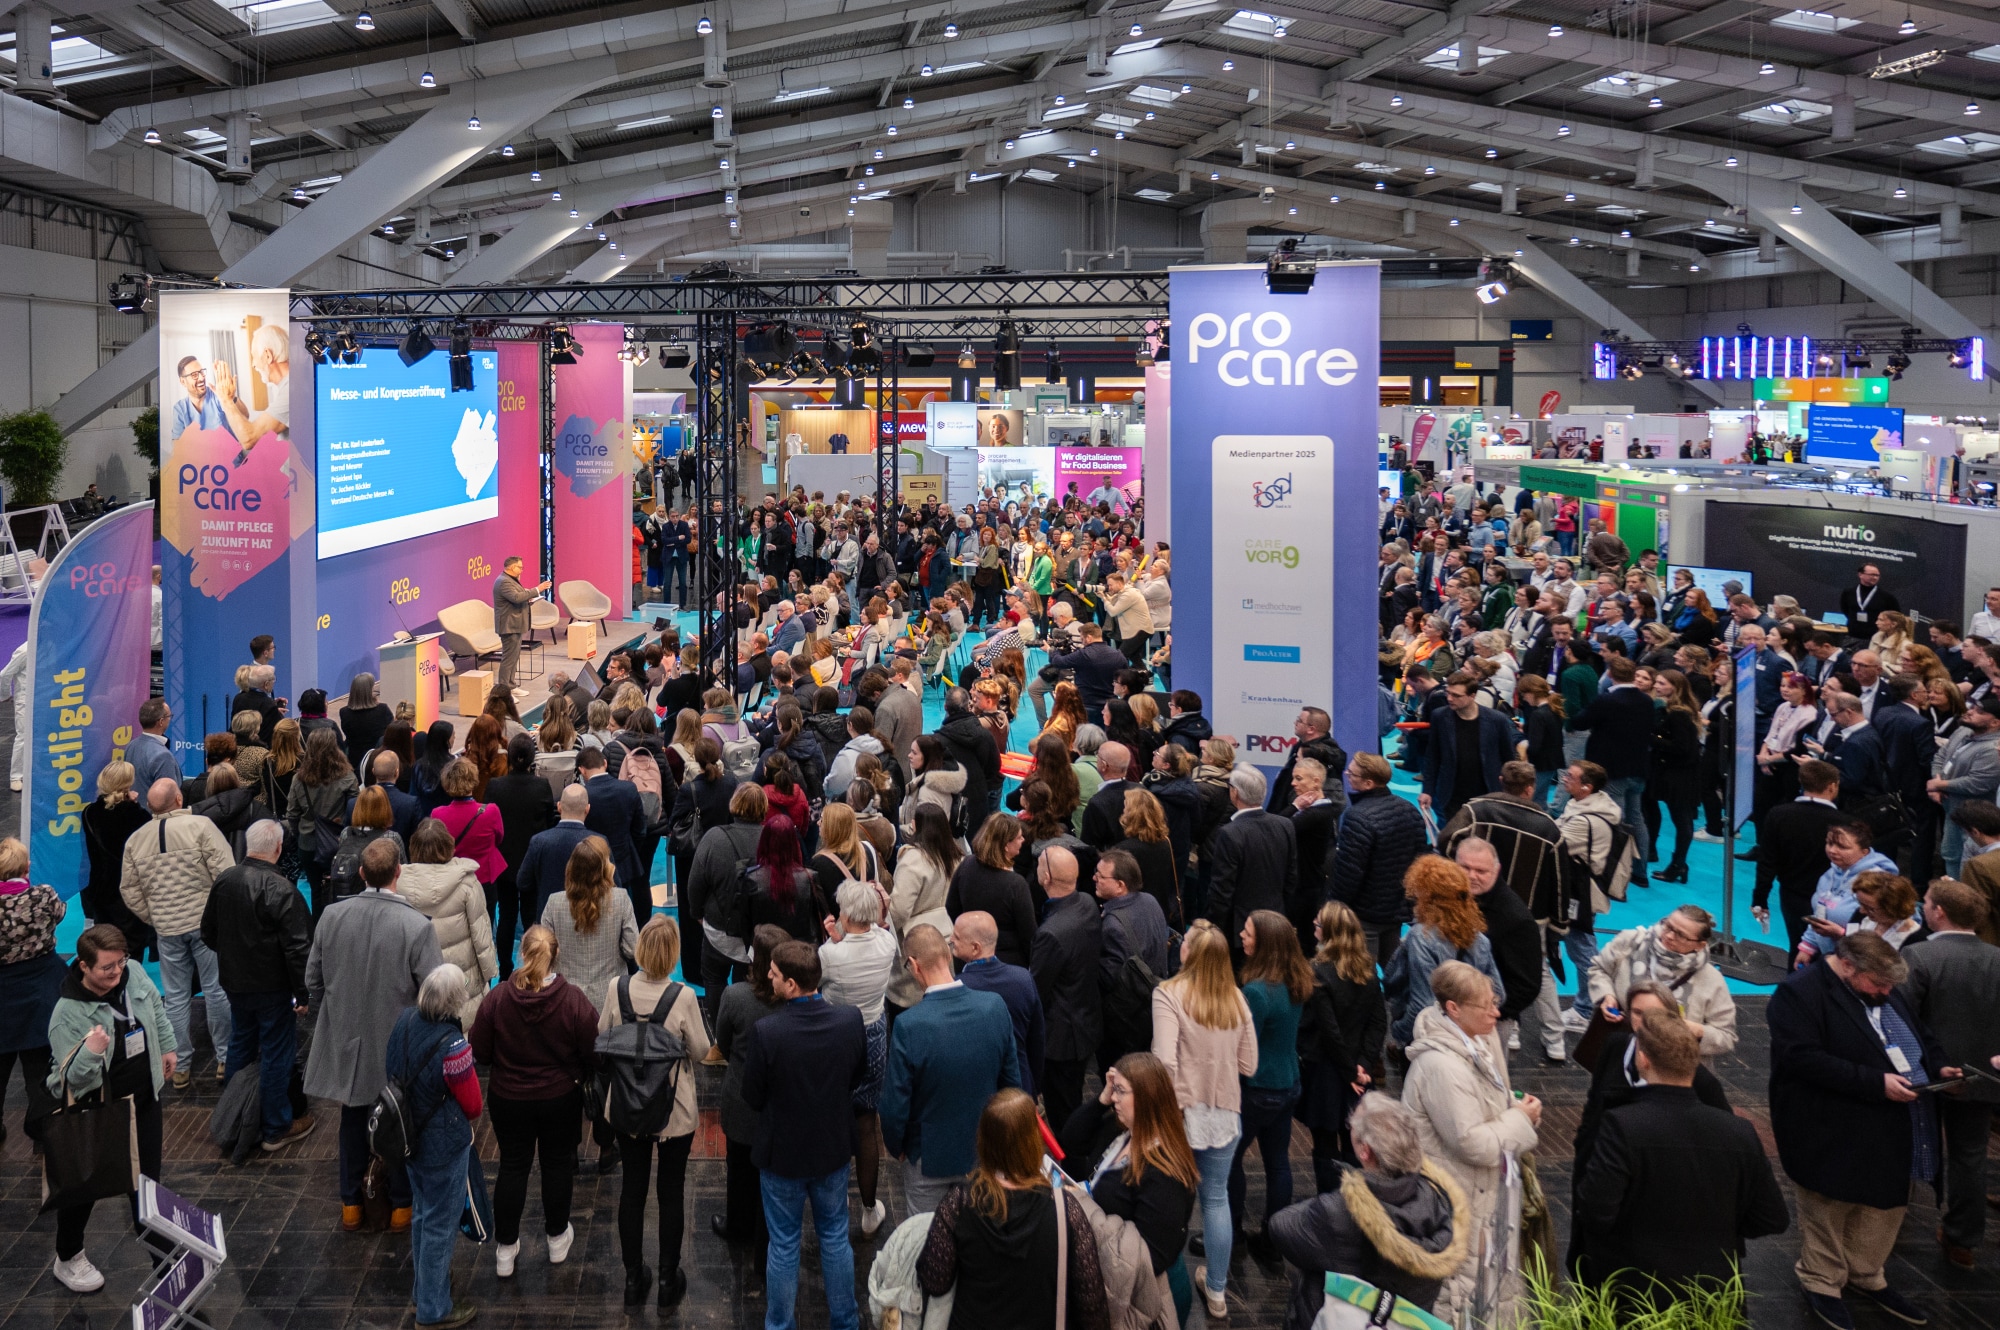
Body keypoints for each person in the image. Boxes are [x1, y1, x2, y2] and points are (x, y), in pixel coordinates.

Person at [1769, 931, 1942, 1330]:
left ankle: (1867, 1273)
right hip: (1829, 1123)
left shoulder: (1882, 987)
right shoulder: (1799, 993)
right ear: (1847, 965)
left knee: (1884, 1203)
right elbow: (1801, 1058)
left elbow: (1921, 1034)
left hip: (1893, 1122)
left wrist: (1939, 1064)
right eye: (1878, 984)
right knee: (1829, 1204)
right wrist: (1875, 1082)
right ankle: (1822, 1280)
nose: (1886, 992)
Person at [1572, 1008, 1788, 1296]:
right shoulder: (1739, 1131)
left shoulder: (1622, 1126)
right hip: (1713, 1292)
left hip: (1638, 1293)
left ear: (1643, 1059)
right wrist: (1717, 1235)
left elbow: (1595, 1212)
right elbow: (1772, 1218)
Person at [308, 838, 444, 1230]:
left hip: (348, 1038)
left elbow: (313, 978)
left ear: (362, 873)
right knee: (397, 1120)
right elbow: (433, 992)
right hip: (398, 1044)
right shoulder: (416, 926)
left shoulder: (331, 916)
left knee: (352, 1119)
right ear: (399, 871)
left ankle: (351, 1205)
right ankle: (401, 1206)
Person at [1401, 961, 1542, 1327]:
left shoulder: (1478, 1041)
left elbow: (1487, 1103)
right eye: (1487, 1005)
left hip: (1482, 1199)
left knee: (1489, 1292)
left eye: (1495, 1002)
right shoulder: (1441, 1067)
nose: (1497, 1012)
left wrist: (1516, 1107)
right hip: (1459, 1204)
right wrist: (1520, 1120)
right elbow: (1472, 1143)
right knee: (1460, 1300)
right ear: (1454, 1009)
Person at [739, 938, 869, 1330]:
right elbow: (856, 1077)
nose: (768, 976)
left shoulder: (767, 1032)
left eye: (774, 973)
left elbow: (752, 1096)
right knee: (835, 1237)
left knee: (783, 1244)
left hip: (783, 1157)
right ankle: (846, 1322)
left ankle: (779, 1324)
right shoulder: (849, 1021)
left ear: (792, 984)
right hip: (832, 1149)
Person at [44, 924, 176, 1292]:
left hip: (144, 1103)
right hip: (98, 1114)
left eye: (121, 962)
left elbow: (154, 1007)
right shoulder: (67, 1014)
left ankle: (167, 1269)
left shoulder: (132, 973)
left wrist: (167, 1045)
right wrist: (91, 1052)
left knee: (145, 1188)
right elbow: (66, 1082)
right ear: (84, 966)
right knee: (84, 1188)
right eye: (107, 967)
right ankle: (68, 1256)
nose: (117, 972)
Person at [915, 1088, 1111, 1330]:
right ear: (1033, 1141)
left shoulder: (959, 1203)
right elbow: (1093, 1310)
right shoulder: (1065, 1211)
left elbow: (934, 1280)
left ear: (984, 1141)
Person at [1266, 1092, 1466, 1330]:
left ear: (1365, 1151)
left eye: (1352, 1125)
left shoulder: (1339, 1212)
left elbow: (1280, 1226)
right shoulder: (1436, 1201)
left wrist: (1326, 1201)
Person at [467, 923, 595, 1281]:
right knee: (557, 1165)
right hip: (559, 1098)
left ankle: (505, 1249)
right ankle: (557, 1239)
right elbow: (594, 1049)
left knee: (512, 1167)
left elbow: (480, 1050)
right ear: (556, 956)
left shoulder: (498, 999)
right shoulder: (572, 1000)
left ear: (522, 954)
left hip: (509, 1098)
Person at [599, 915, 711, 1307]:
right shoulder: (683, 996)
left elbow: (603, 1035)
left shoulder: (617, 988)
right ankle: (667, 1279)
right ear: (673, 954)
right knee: (671, 1192)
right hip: (673, 1111)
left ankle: (633, 1279)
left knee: (632, 1190)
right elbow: (701, 1050)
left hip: (626, 1106)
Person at [1152, 919, 1258, 1320]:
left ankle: (1167, 1284)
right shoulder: (1237, 999)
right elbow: (1249, 1064)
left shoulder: (1168, 994)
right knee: (1216, 1199)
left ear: (1187, 952)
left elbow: (1164, 1063)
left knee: (1169, 1201)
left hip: (1178, 1116)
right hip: (1224, 1114)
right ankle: (1216, 1291)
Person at [880, 924, 1022, 1216]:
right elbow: (1011, 1086)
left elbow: (895, 1104)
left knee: (926, 1237)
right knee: (984, 1232)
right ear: (948, 954)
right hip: (985, 1151)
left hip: (929, 1158)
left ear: (914, 965)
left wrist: (898, 1147)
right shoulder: (994, 1007)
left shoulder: (909, 1025)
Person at [1898, 878, 2000, 1269]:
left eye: (1926, 902)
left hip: (1924, 1076)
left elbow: (1901, 1017)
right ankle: (1963, 1241)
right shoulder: (1997, 958)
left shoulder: (1918, 955)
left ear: (1939, 912)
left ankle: (1884, 1223)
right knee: (1970, 1158)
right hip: (1979, 1077)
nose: (1923, 907)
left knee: (1902, 1145)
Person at [200, 820, 313, 1150]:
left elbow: (208, 932)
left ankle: (235, 1118)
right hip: (272, 987)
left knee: (240, 1044)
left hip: (235, 983)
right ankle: (276, 1126)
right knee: (277, 1053)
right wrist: (302, 993)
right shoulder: (282, 889)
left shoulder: (225, 880)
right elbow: (297, 948)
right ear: (278, 848)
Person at [387, 964, 485, 1330]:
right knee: (441, 1226)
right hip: (442, 1146)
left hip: (407, 1137)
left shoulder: (404, 1021)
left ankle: (423, 1291)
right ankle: (434, 1310)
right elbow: (473, 1106)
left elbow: (391, 1067)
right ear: (456, 1001)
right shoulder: (454, 1047)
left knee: (423, 1215)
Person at [120, 777, 235, 1087]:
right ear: (179, 799)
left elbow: (129, 890)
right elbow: (226, 874)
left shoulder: (135, 840)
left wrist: (155, 917)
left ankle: (180, 1064)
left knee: (175, 996)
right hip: (205, 926)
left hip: (167, 930)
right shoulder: (201, 827)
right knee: (216, 990)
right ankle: (225, 1058)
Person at [1079, 1053, 1199, 1323]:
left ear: (1146, 1098)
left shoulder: (1164, 1172)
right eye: (1113, 1089)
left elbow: (1153, 1256)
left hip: (1150, 1296)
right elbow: (1072, 1139)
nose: (1114, 1098)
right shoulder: (1122, 1131)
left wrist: (1087, 1216)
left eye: (1120, 1091)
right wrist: (1101, 1099)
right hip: (1122, 1281)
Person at [817, 878, 899, 1236]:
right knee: (866, 1125)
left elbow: (821, 979)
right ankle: (868, 1209)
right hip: (874, 1036)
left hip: (836, 1039)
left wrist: (832, 940)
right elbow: (879, 928)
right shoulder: (886, 943)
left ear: (846, 914)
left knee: (829, 1121)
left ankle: (830, 1206)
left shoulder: (830, 955)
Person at [1231, 909, 1312, 1271]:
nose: (1241, 936)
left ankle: (1232, 1235)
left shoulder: (1256, 992)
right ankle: (1273, 1240)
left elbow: (1241, 1044)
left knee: (1231, 1160)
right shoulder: (1297, 981)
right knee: (1278, 1163)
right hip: (1288, 1084)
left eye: (1248, 933)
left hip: (1257, 1088)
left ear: (1264, 943)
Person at [710, 924, 789, 1256]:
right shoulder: (793, 1001)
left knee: (738, 1167)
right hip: (780, 1102)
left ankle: (738, 1225)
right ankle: (764, 1230)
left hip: (741, 1098)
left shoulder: (734, 996)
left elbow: (723, 1043)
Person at [1383, 855, 1504, 1049]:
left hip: (1429, 1038)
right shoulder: (1480, 939)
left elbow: (1423, 1004)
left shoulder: (1421, 938)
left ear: (1427, 897)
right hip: (1468, 1037)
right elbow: (1497, 993)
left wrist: (1398, 1032)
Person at [1587, 905, 1739, 1057]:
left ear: (1700, 945)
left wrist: (1695, 1030)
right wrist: (1607, 996)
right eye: (1668, 926)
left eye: (1680, 935)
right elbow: (1599, 969)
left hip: (1673, 1065)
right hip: (1618, 1054)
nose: (1669, 936)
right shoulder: (1630, 942)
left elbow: (1726, 1037)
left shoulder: (1711, 979)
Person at [399, 818, 501, 1027]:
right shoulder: (467, 883)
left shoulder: (398, 885)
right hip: (461, 983)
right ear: (448, 844)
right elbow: (481, 936)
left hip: (418, 984)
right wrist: (489, 975)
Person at [1567, 654, 1657, 889]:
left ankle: (1614, 871)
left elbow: (1579, 722)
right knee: (1637, 819)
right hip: (1638, 768)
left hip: (1612, 770)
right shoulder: (1647, 701)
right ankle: (1640, 871)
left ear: (1609, 674)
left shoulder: (1607, 700)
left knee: (1615, 820)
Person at [1329, 752, 1428, 965]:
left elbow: (1349, 872)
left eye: (1352, 773)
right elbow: (1421, 861)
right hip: (1397, 911)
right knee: (1393, 971)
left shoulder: (1357, 817)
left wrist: (1335, 906)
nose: (1346, 775)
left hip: (1366, 914)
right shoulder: (1409, 809)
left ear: (1368, 783)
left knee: (1362, 974)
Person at [1031, 844, 1103, 1133]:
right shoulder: (1086, 903)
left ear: (1047, 877)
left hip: (1061, 1038)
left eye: (1040, 863)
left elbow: (1036, 989)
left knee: (1063, 1113)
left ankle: (1071, 1158)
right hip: (1087, 1021)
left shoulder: (1051, 933)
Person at [0, 837, 63, 1145]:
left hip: (3, 995)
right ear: (26, 866)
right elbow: (60, 914)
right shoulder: (43, 895)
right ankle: (43, 1132)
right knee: (40, 1068)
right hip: (41, 992)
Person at [1754, 759, 1848, 955]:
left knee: (1797, 947)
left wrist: (1760, 899)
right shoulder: (1845, 823)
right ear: (1832, 786)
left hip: (1791, 896)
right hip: (1832, 902)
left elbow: (1767, 861)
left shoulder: (1778, 815)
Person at [953, 910, 1047, 1104]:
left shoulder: (958, 987)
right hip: (1020, 1088)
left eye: (957, 937)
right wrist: (1033, 1086)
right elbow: (1037, 1041)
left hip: (977, 1093)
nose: (951, 939)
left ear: (975, 947)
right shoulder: (1023, 979)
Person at [1207, 764, 1299, 959]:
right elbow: (1291, 880)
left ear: (1235, 793)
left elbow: (1222, 891)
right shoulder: (1285, 825)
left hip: (1240, 932)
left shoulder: (1230, 833)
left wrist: (1214, 929)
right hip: (1275, 923)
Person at [1797, 819, 1899, 966]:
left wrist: (1841, 934)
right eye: (1829, 843)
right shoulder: (1830, 874)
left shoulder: (1877, 883)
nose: (1832, 850)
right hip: (1830, 957)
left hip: (1861, 964)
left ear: (1864, 852)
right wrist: (1808, 946)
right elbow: (1819, 912)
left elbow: (1887, 933)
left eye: (1842, 847)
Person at [947, 814, 1038, 968]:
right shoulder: (1015, 884)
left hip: (968, 956)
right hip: (1006, 963)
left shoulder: (967, 864)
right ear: (1006, 845)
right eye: (1018, 837)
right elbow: (1028, 934)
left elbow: (951, 906)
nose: (1023, 840)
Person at [82, 760, 153, 958]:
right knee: (132, 948)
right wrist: (134, 805)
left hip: (101, 889)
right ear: (127, 785)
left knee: (105, 944)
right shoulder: (138, 816)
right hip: (129, 891)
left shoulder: (89, 813)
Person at [287, 728, 359, 918]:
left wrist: (300, 834)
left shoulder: (299, 779)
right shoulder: (348, 777)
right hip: (337, 842)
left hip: (308, 843)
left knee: (316, 891)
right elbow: (355, 811)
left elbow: (292, 814)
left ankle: (318, 927)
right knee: (341, 889)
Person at [493, 555, 550, 692]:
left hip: (515, 625)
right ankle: (504, 690)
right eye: (520, 567)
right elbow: (516, 597)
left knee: (514, 657)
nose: (522, 570)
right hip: (509, 626)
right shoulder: (503, 582)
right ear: (512, 567)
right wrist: (537, 589)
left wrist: (528, 599)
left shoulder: (511, 580)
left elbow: (518, 597)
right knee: (509, 659)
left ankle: (511, 685)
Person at [339, 673, 393, 770]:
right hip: (379, 760)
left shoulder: (344, 712)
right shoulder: (383, 710)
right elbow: (391, 733)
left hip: (354, 761)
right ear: (369, 691)